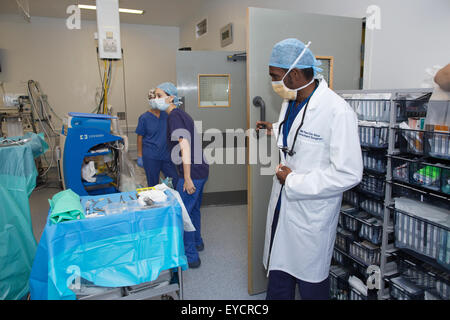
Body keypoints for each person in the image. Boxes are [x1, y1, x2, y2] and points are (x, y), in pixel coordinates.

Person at [256, 38, 363, 300]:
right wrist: (275, 129)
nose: (273, 82)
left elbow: (349, 172)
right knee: (279, 273)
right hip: (284, 202)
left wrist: (294, 181)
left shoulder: (337, 111)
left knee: (310, 283)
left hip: (310, 210)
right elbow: (298, 137)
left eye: (275, 76)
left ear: (293, 74)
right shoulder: (290, 101)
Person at [152, 82, 209, 269]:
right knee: (193, 210)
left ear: (170, 97)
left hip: (193, 172)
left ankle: (191, 256)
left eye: (159, 95)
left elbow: (184, 147)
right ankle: (198, 241)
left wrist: (187, 178)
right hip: (201, 169)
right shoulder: (180, 114)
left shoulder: (175, 116)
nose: (155, 99)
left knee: (183, 213)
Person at [136, 88, 178, 188]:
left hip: (166, 155)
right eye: (152, 99)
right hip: (151, 156)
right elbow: (139, 138)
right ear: (149, 101)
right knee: (153, 185)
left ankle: (171, 201)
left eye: (157, 98)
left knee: (174, 180)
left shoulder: (167, 115)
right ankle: (155, 202)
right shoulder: (144, 118)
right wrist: (140, 155)